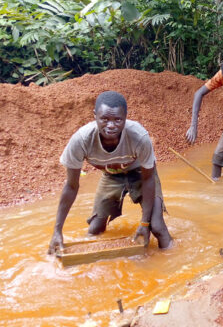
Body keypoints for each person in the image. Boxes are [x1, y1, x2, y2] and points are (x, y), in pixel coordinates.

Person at [48, 91, 173, 254]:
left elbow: (149, 179)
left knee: (157, 226)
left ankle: (173, 260)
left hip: (140, 173)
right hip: (111, 175)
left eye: (118, 119)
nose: (111, 125)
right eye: (105, 119)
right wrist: (57, 230)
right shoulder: (81, 140)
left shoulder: (139, 136)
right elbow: (71, 186)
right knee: (95, 229)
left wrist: (144, 224)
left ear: (125, 117)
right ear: (95, 116)